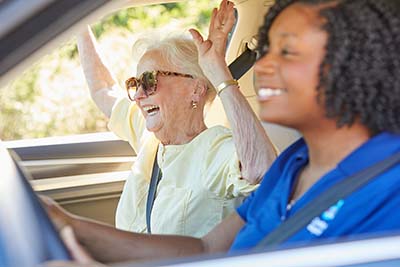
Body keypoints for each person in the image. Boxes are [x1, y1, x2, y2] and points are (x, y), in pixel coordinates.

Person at [44, 0, 400, 264]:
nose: (263, 65)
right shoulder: (294, 165)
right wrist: (69, 225)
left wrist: (220, 78)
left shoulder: (388, 185)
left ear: (350, 62)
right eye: (268, 49)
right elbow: (206, 250)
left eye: (288, 51)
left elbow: (256, 168)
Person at [75, 0, 276, 237]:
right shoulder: (149, 137)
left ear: (195, 89)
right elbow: (103, 90)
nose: (139, 96)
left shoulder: (214, 149)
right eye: (135, 83)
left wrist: (218, 73)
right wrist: (75, 21)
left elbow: (263, 170)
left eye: (149, 81)